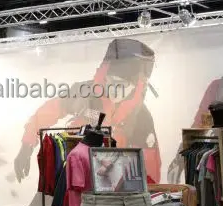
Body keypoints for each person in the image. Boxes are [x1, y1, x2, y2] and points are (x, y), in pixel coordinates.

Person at [14, 39, 161, 184]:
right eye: (110, 81)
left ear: (137, 85)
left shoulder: (141, 118)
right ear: (104, 76)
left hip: (111, 187)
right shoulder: (84, 93)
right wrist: (26, 145)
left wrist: (141, 193)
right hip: (72, 175)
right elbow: (47, 112)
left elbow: (150, 170)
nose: (115, 90)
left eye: (123, 84)